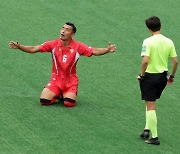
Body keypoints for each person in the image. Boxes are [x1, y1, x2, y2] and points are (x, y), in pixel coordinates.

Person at [9, 22, 116, 107]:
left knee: (69, 103)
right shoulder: (53, 44)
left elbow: (95, 51)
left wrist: (107, 50)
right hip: (56, 80)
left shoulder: (78, 46)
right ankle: (58, 93)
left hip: (70, 81)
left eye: (67, 30)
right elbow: (33, 49)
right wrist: (20, 47)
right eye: (62, 28)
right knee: (44, 101)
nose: (63, 31)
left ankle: (66, 94)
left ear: (72, 34)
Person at [137, 16, 178, 145]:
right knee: (150, 102)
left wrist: (141, 75)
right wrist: (171, 76)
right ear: (161, 26)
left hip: (150, 76)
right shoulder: (169, 41)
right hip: (162, 77)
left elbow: (145, 61)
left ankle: (154, 137)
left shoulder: (147, 42)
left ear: (148, 29)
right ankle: (146, 129)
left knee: (150, 105)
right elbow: (175, 61)